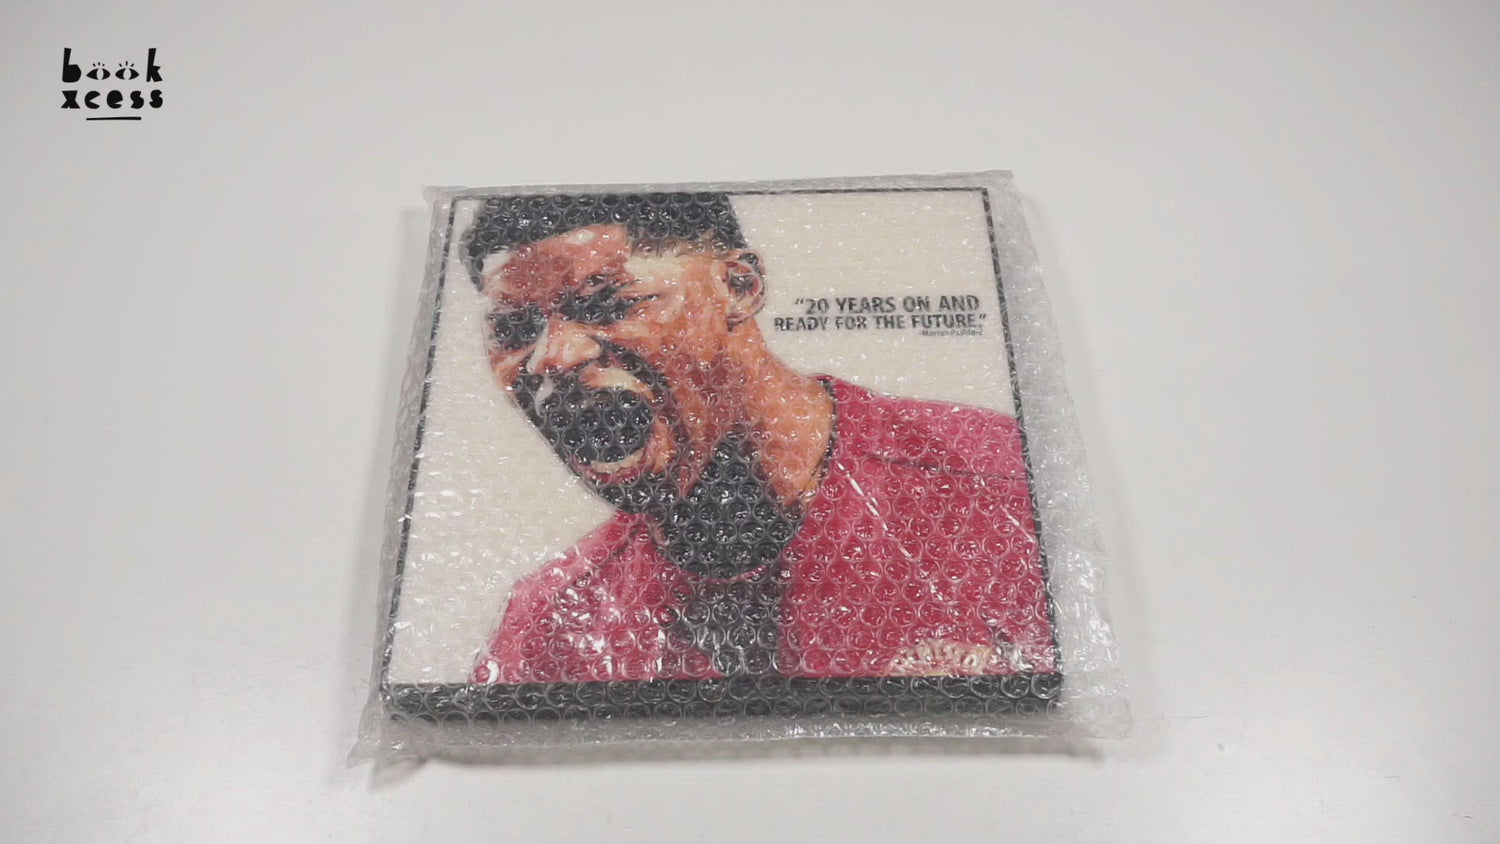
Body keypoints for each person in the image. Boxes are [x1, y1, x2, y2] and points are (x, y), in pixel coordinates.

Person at [461, 192, 1056, 683]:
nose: (555, 358)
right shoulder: (552, 628)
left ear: (739, 286)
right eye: (514, 328)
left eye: (608, 303)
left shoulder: (1002, 482)